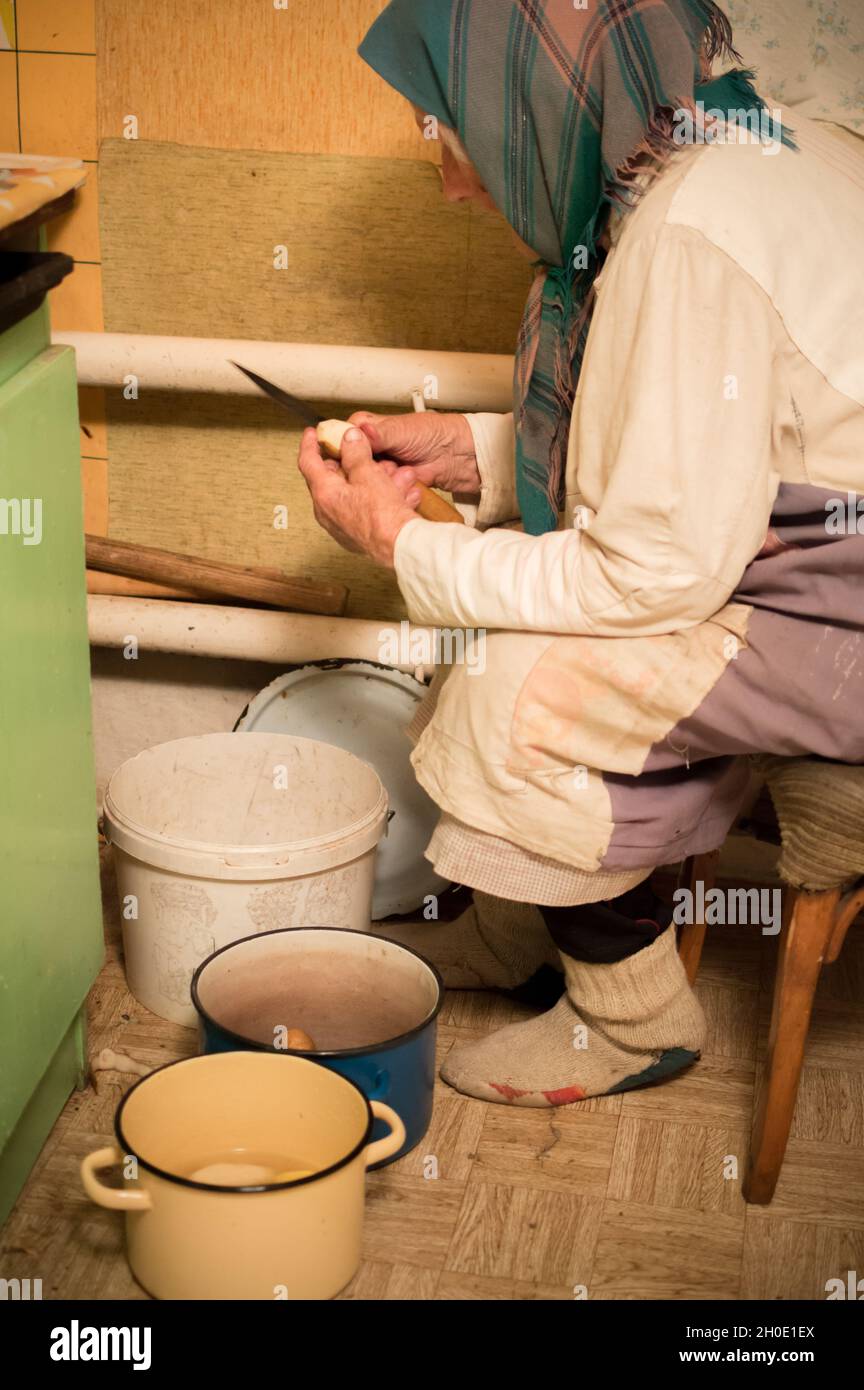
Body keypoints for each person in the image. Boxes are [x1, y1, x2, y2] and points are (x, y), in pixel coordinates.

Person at [298, 0, 864, 1107]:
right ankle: (522, 936)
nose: (454, 181)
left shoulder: (685, 237)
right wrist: (474, 456)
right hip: (813, 561)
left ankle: (633, 1020)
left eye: (447, 131)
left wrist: (398, 541)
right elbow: (699, 440)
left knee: (519, 678)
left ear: (528, 102)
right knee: (506, 599)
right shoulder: (754, 148)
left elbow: (645, 570)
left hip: (840, 616)